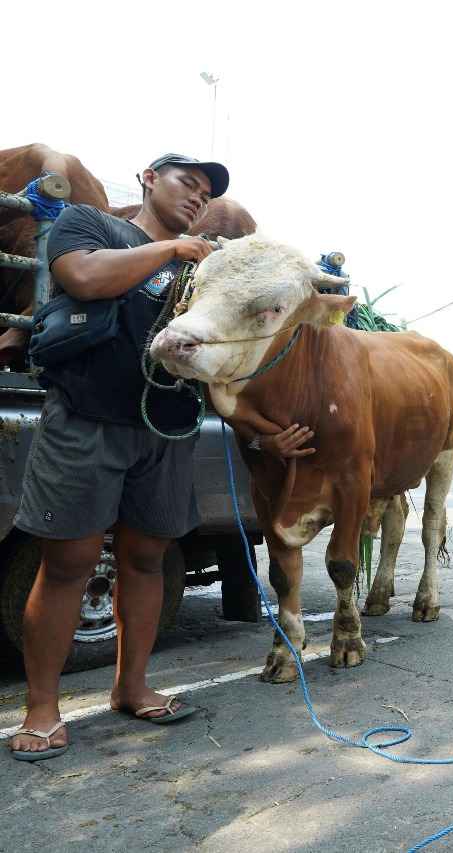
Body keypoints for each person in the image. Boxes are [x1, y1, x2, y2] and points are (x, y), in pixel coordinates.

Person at [11, 154, 250, 760]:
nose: (197, 198)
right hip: (86, 417)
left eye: (206, 195)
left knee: (147, 559)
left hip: (165, 426)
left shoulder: (204, 267)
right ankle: (42, 707)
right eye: (187, 183)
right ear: (149, 178)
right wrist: (172, 250)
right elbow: (84, 278)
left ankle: (132, 686)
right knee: (68, 563)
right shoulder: (91, 225)